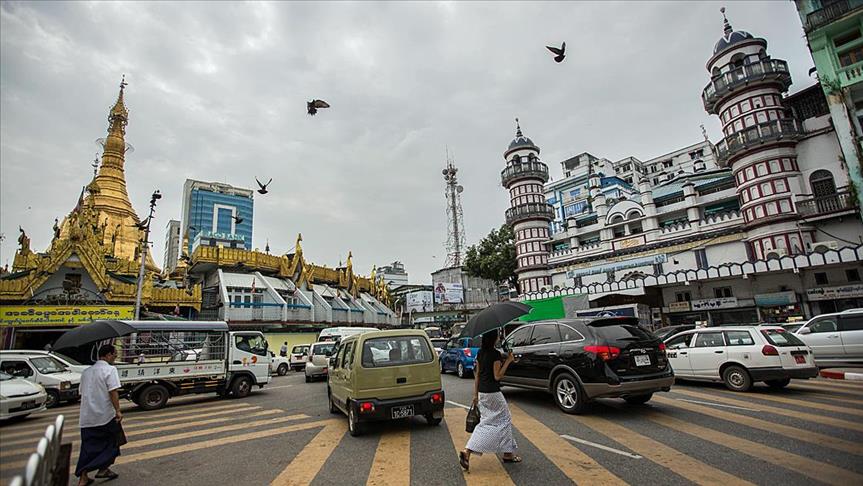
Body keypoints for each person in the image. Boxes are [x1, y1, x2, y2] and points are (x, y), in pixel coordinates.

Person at [459, 329, 520, 471]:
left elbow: (477, 375)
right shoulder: (495, 354)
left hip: (482, 393)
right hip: (493, 393)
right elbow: (497, 376)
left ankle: (505, 452)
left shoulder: (480, 353)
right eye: (497, 336)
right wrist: (508, 361)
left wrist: (475, 395)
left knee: (487, 422)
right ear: (494, 338)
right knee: (504, 419)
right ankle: (506, 454)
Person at [76, 344, 123, 485]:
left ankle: (86, 475)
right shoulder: (110, 370)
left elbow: (81, 392)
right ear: (108, 355)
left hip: (87, 417)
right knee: (113, 442)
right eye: (114, 354)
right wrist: (118, 410)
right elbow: (113, 391)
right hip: (105, 415)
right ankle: (102, 469)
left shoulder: (86, 372)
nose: (115, 357)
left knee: (88, 447)